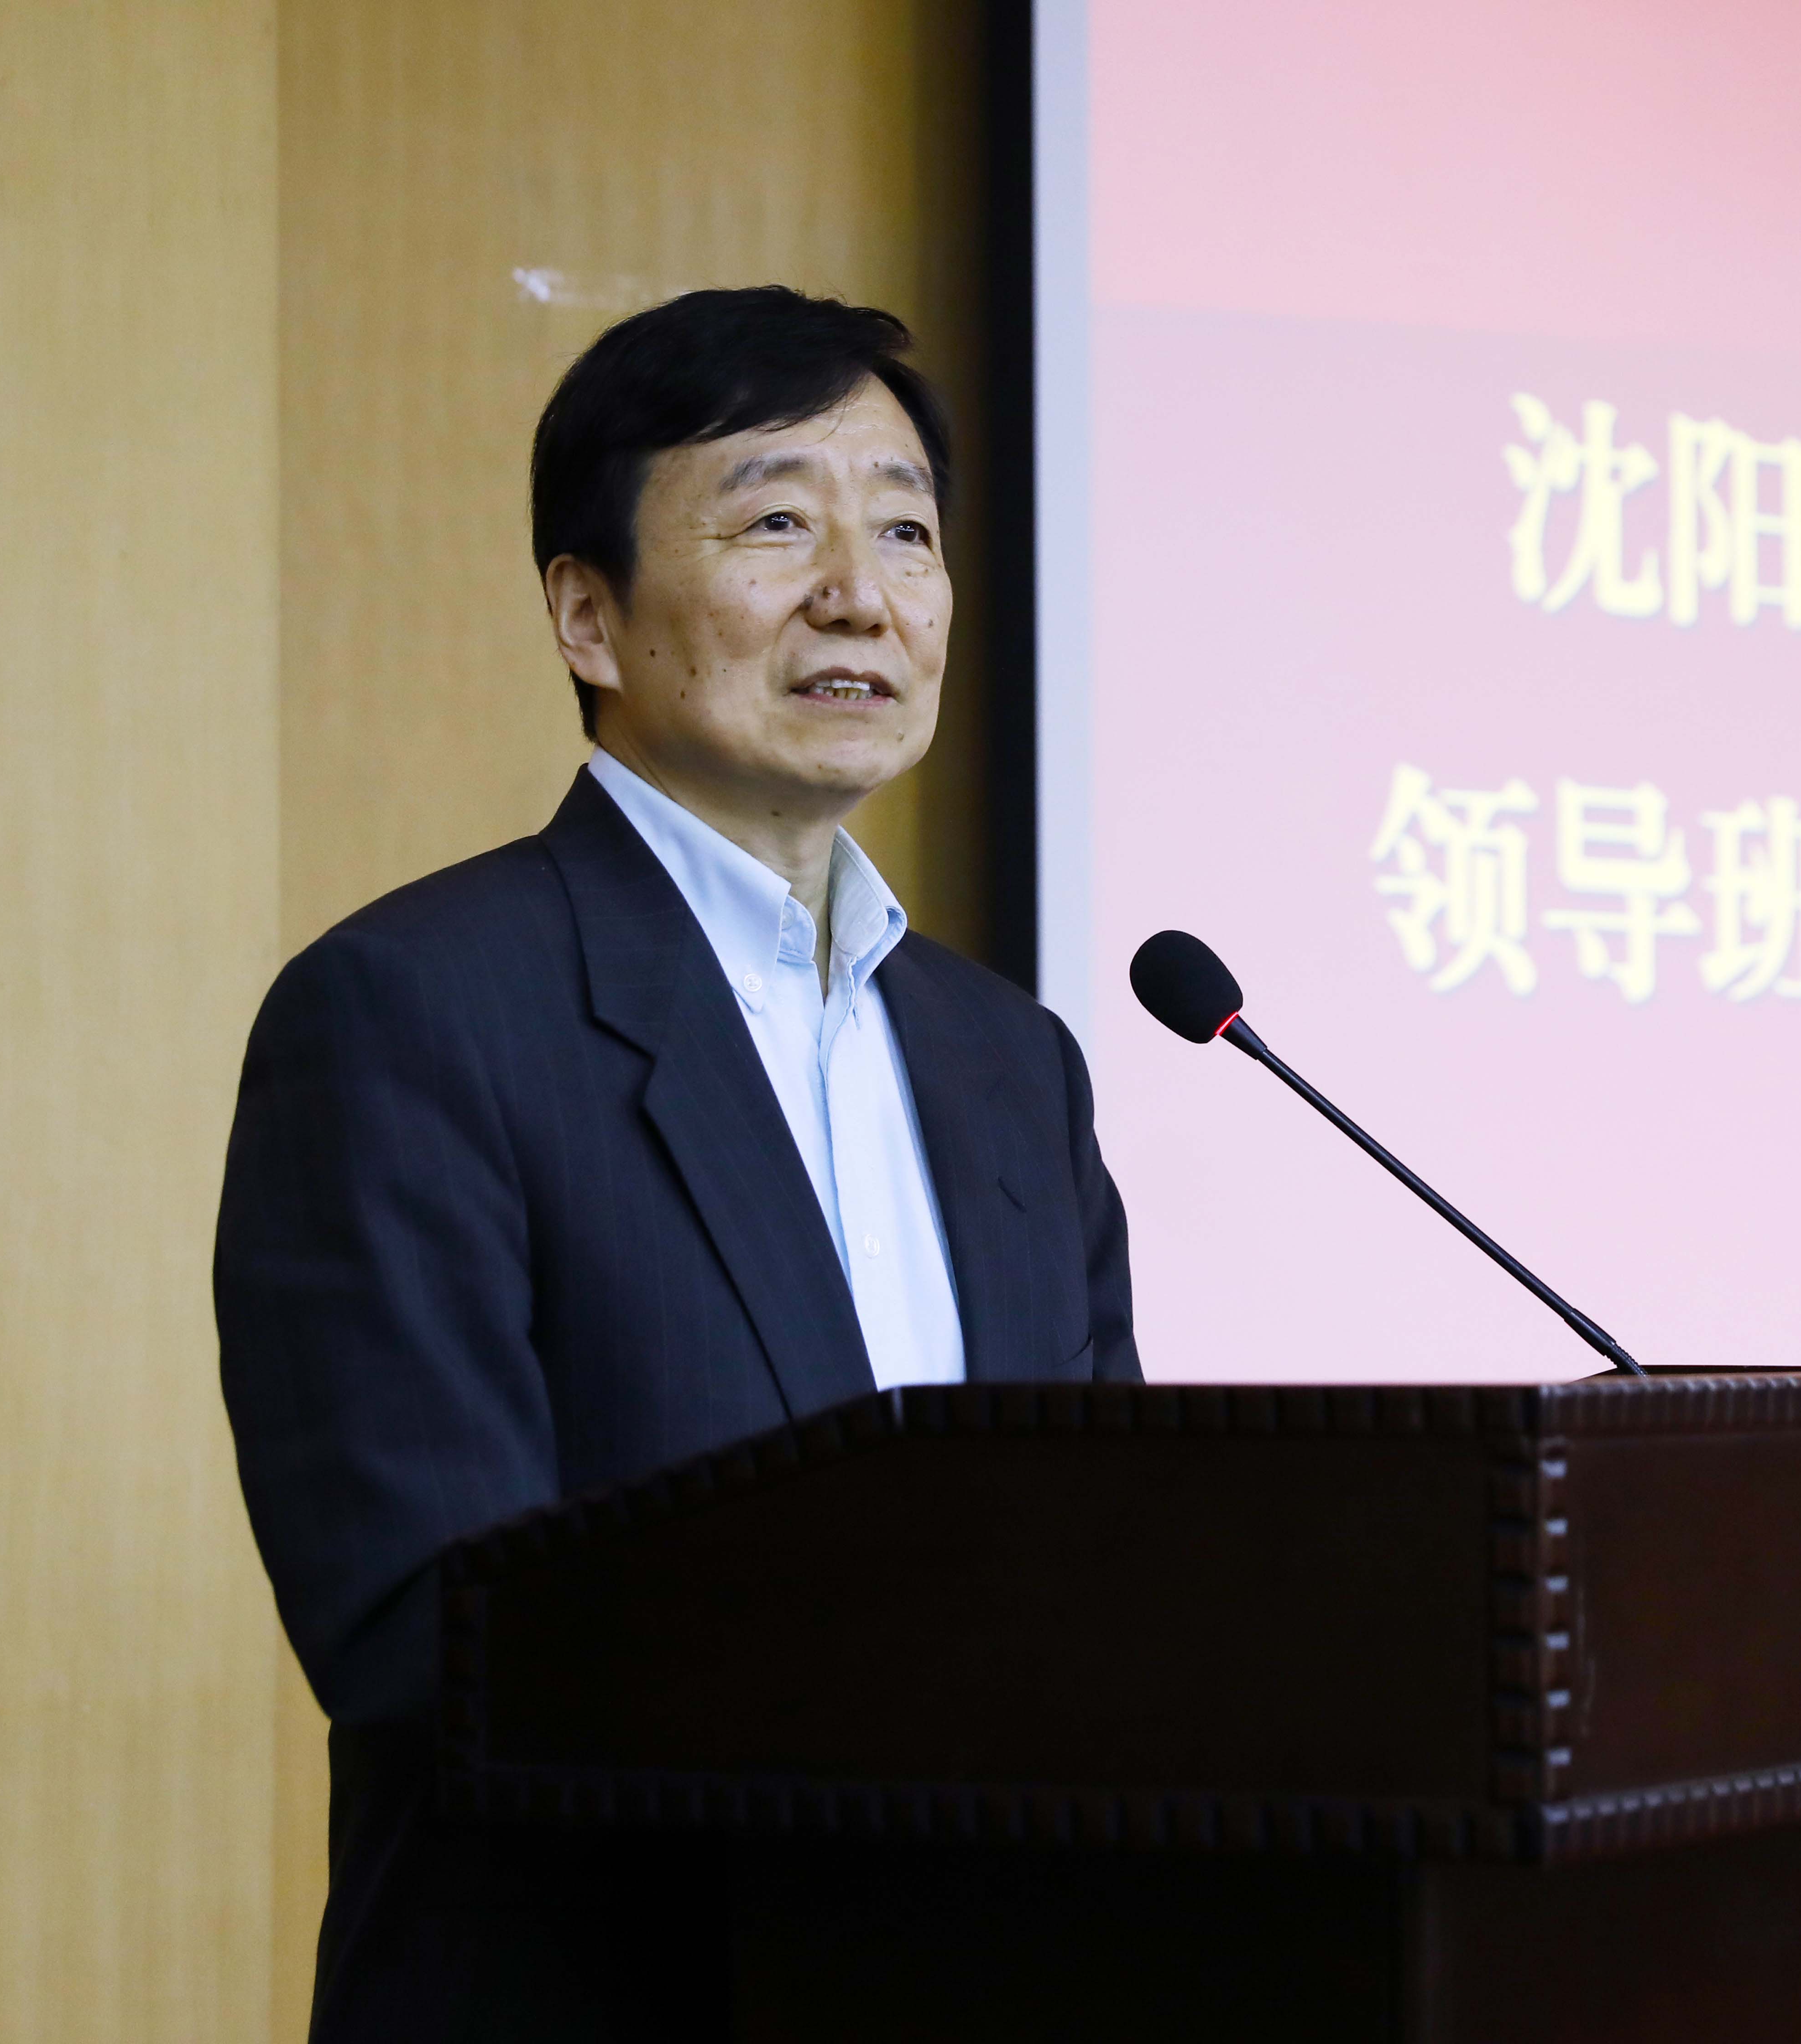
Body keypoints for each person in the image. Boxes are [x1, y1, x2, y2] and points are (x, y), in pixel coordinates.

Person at [214, 286, 1142, 2039]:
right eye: (777, 523)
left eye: (907, 532)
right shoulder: (415, 1012)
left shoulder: (1010, 1065)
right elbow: (424, 1627)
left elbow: (1114, 1560)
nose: (862, 594)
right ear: (589, 614)